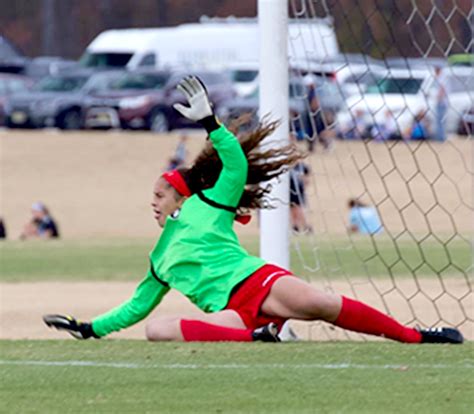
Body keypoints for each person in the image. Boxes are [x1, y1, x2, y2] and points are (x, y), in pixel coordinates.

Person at [44, 75, 462, 345]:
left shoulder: (208, 203)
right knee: (155, 330)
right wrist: (89, 328)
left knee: (323, 305)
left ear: (181, 197)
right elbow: (136, 309)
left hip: (259, 283)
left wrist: (210, 122)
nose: (152, 202)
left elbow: (236, 165)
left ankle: (415, 338)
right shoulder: (159, 261)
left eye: (159, 194)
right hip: (232, 316)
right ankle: (261, 336)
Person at [289, 160, 312, 233]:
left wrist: (303, 185)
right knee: (292, 210)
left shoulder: (302, 166)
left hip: (299, 191)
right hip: (290, 191)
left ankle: (306, 226)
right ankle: (295, 226)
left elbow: (306, 179)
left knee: (299, 209)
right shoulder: (287, 166)